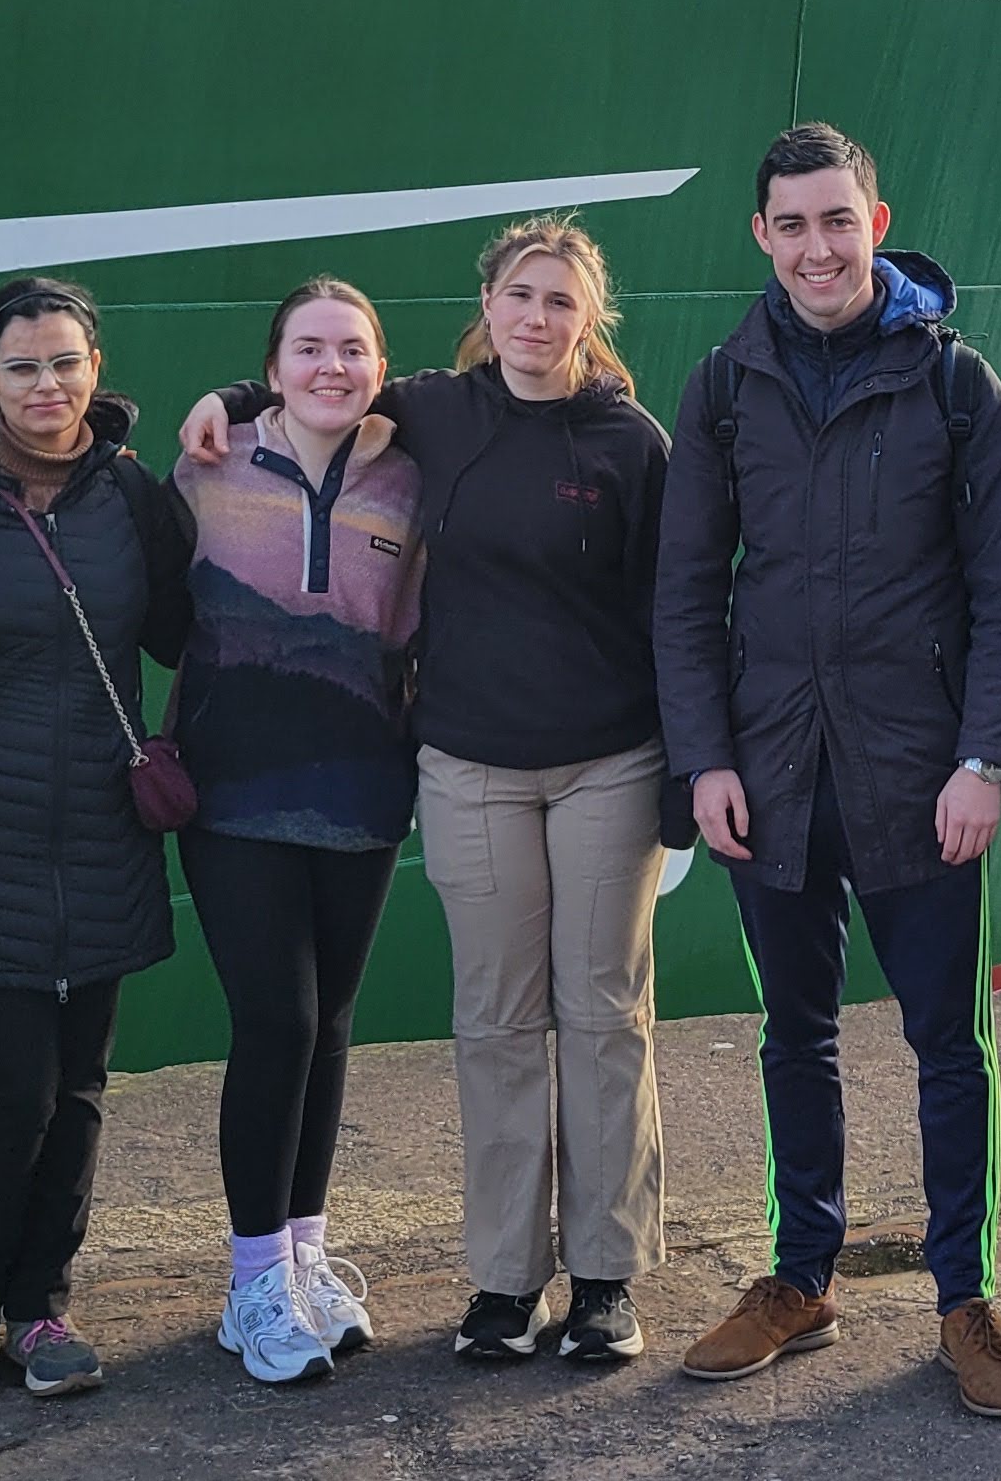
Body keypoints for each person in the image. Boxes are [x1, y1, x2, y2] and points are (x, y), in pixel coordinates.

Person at [181, 216, 673, 1368]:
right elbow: (315, 385)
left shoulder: (630, 442)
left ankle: (604, 1278)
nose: (536, 319)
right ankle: (504, 1285)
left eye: (559, 300)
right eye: (518, 296)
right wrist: (224, 398)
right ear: (486, 306)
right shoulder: (440, 409)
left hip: (609, 758)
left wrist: (692, 767)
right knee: (495, 1020)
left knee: (602, 1016)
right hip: (466, 760)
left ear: (588, 316)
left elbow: (677, 610)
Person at [654, 122, 1001, 1418]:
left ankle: (963, 1300)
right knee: (795, 1035)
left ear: (876, 224)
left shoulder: (952, 386)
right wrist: (706, 759)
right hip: (771, 771)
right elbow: (686, 593)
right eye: (792, 225)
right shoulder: (725, 387)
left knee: (950, 1045)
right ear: (761, 237)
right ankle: (802, 1275)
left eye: (839, 220)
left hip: (917, 770)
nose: (817, 246)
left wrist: (983, 760)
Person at [0, 275, 195, 1407]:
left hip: (105, 833)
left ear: (95, 369)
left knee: (78, 1088)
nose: (47, 385)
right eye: (22, 366)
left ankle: (42, 1305)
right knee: (10, 1089)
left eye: (66, 363)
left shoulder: (134, 497)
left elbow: (188, 628)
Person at [165, 278, 425, 1387]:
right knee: (276, 1018)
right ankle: (251, 1282)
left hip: (365, 784)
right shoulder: (201, 466)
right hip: (231, 792)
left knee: (329, 1027)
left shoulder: (414, 472)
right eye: (308, 349)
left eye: (353, 350)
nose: (332, 367)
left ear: (380, 364)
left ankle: (306, 1258)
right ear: (269, 367)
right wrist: (215, 401)